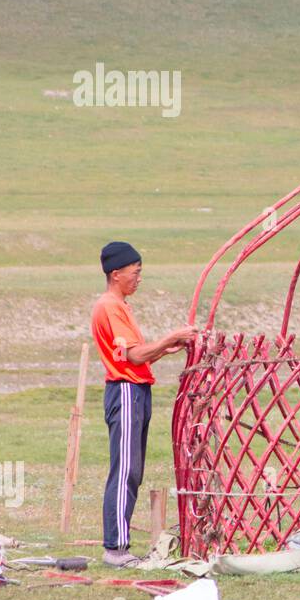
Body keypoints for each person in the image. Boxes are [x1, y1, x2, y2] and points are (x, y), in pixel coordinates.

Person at [89, 242, 197, 567]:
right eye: (135, 273)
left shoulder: (120, 306)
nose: (139, 279)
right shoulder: (110, 307)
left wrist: (167, 348)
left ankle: (119, 545)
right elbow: (133, 356)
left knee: (133, 469)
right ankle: (116, 548)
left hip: (136, 389)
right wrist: (168, 338)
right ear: (116, 273)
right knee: (125, 470)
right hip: (125, 390)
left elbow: (136, 353)